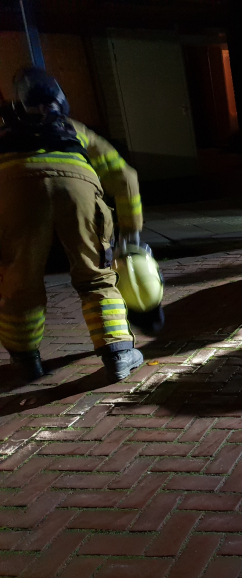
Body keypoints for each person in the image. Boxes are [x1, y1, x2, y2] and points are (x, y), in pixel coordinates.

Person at [0, 68, 144, 382]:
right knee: (96, 278)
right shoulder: (75, 129)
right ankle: (118, 354)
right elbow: (125, 178)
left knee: (18, 284)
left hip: (14, 189)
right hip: (77, 188)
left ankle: (25, 361)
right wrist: (131, 233)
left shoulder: (3, 133)